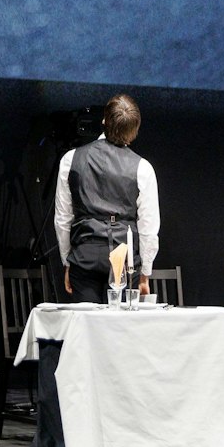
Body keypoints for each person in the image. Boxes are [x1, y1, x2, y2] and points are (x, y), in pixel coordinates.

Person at [53, 94, 160, 304]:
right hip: (125, 259)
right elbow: (148, 227)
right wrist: (145, 272)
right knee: (123, 334)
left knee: (87, 331)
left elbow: (62, 219)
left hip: (85, 257)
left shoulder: (71, 160)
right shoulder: (143, 168)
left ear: (104, 121)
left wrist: (68, 262)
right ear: (134, 131)